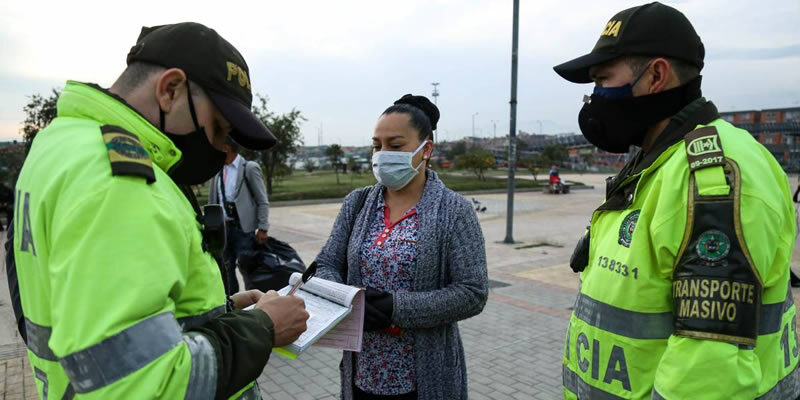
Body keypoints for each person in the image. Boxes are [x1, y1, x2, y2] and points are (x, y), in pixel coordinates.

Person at [13, 22, 309, 399]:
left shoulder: (62, 144)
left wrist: (222, 312)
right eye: (218, 129)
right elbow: (139, 384)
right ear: (170, 90)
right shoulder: (120, 183)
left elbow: (99, 319)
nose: (220, 148)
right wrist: (264, 327)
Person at [555, 3, 798, 399]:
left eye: (602, 80)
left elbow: (709, 373)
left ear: (655, 75)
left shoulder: (712, 176)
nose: (595, 98)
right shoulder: (658, 160)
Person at [315, 94, 489, 400]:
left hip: (422, 381)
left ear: (426, 149)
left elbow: (472, 293)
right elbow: (326, 264)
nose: (383, 154)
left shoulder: (454, 211)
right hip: (362, 374)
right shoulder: (356, 204)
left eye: (395, 146)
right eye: (377, 145)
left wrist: (395, 309)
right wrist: (348, 300)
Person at [209, 136, 270, 295]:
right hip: (223, 229)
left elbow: (262, 200)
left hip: (243, 229)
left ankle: (254, 300)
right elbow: (213, 199)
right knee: (226, 268)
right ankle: (232, 302)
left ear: (227, 148)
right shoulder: (218, 168)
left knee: (248, 268)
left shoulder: (249, 168)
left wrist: (263, 227)